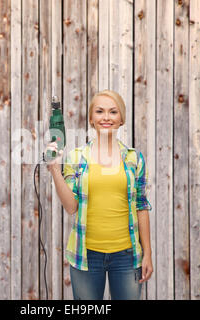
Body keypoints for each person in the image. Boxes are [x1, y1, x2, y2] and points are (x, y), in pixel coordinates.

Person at [45, 90, 153, 300]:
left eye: (113, 112)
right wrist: (55, 171)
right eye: (100, 111)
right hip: (86, 255)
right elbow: (71, 206)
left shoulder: (134, 158)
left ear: (121, 119)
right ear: (91, 119)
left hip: (127, 256)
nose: (106, 117)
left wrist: (147, 253)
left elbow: (141, 206)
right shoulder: (77, 157)